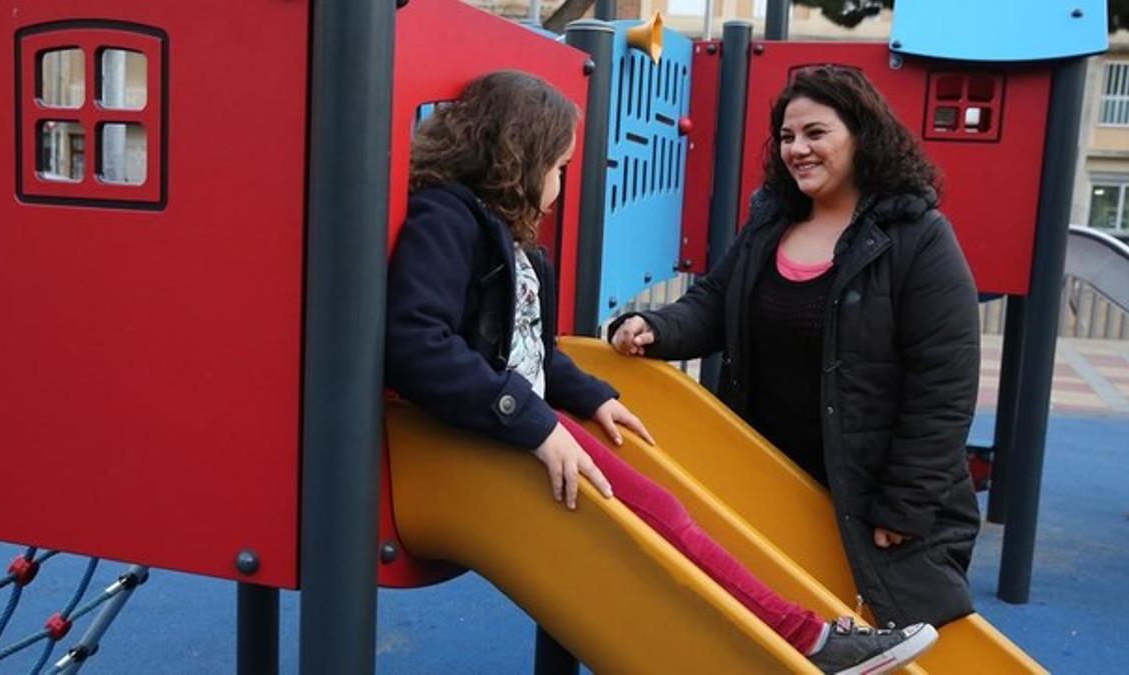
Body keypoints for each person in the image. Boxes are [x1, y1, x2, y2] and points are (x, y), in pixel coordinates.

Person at [386, 69, 937, 674]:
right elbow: (415, 342)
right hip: (476, 432)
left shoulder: (514, 241)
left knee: (670, 505)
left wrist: (591, 395)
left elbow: (531, 352)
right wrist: (536, 423)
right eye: (560, 166)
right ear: (522, 156)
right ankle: (806, 638)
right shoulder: (447, 220)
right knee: (661, 514)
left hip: (511, 417)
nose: (562, 183)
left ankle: (806, 635)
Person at [610, 65, 981, 630]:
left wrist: (907, 501)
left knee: (880, 634)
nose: (797, 149)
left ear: (862, 134)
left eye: (816, 133)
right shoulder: (772, 221)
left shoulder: (917, 237)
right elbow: (714, 301)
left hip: (868, 494)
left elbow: (944, 383)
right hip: (770, 477)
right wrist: (657, 328)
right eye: (787, 137)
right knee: (767, 631)